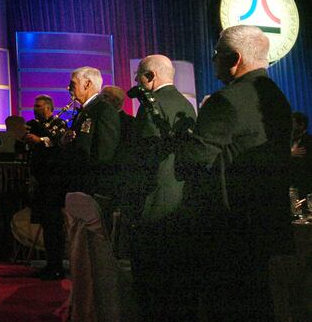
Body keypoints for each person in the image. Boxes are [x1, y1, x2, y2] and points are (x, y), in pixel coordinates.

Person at [176, 25, 292, 320]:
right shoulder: (278, 99)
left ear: (235, 58)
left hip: (227, 231)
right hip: (267, 224)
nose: (213, 61)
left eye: (217, 54)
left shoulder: (225, 100)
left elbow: (190, 162)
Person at [126, 55, 197, 321]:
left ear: (150, 77)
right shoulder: (186, 105)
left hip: (153, 202)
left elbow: (144, 159)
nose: (136, 82)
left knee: (151, 287)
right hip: (179, 199)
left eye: (138, 77)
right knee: (176, 285)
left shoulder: (150, 107)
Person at [23, 95, 67, 280]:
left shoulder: (59, 123)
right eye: (34, 105)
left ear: (48, 108)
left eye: (39, 105)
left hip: (54, 181)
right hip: (39, 180)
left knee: (54, 224)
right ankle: (50, 263)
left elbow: (59, 140)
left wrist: (40, 140)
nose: (35, 108)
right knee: (45, 223)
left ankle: (57, 265)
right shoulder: (31, 124)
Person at [63, 67, 121, 197]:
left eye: (73, 84)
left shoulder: (104, 110)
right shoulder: (85, 111)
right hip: (79, 186)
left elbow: (105, 154)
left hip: (92, 189)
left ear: (87, 84)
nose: (68, 88)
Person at [290, 111, 311, 198]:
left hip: (306, 186)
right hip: (292, 185)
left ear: (301, 124)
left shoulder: (309, 141)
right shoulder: (288, 141)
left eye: (292, 123)